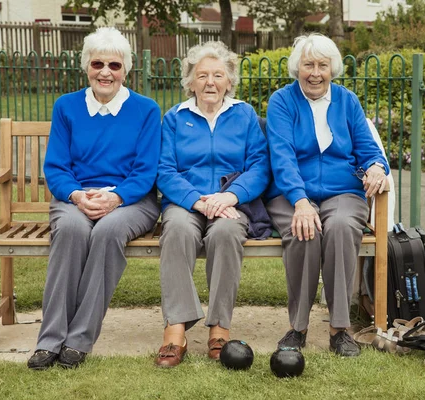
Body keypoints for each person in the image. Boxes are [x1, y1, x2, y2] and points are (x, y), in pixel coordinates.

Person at [27, 27, 162, 370]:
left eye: (114, 65)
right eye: (98, 63)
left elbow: (146, 173)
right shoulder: (67, 107)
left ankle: (79, 339)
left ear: (126, 70)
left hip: (132, 201)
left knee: (106, 232)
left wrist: (115, 198)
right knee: (71, 230)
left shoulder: (146, 110)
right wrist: (76, 195)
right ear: (86, 65)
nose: (105, 72)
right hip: (76, 197)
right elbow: (56, 167)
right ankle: (49, 340)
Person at [264, 33, 390, 357]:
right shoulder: (282, 101)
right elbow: (282, 157)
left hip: (343, 192)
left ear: (332, 68)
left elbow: (368, 149)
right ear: (297, 68)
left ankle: (339, 329)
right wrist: (301, 201)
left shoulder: (347, 101)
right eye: (308, 65)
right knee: (303, 230)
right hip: (291, 194)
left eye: (322, 65)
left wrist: (376, 167)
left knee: (342, 227)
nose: (315, 73)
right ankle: (298, 327)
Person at [154, 41, 270, 368]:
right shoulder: (175, 118)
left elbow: (260, 166)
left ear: (229, 82)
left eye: (218, 75)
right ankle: (175, 328)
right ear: (189, 81)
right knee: (175, 229)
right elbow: (164, 170)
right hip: (186, 201)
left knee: (227, 234)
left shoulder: (244, 115)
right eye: (201, 75)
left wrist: (230, 197)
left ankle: (220, 327)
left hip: (230, 200)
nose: (209, 82)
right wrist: (197, 201)